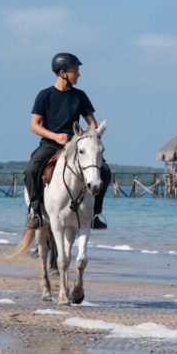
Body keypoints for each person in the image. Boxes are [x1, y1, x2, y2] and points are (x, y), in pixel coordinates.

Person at [23, 52, 111, 230]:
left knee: (106, 172)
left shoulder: (80, 96)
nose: (78, 74)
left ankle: (96, 214)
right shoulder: (44, 95)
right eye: (75, 70)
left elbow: (92, 123)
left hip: (76, 146)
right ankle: (35, 212)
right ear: (62, 72)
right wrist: (55, 136)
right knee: (31, 169)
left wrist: (86, 136)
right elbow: (34, 125)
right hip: (50, 144)